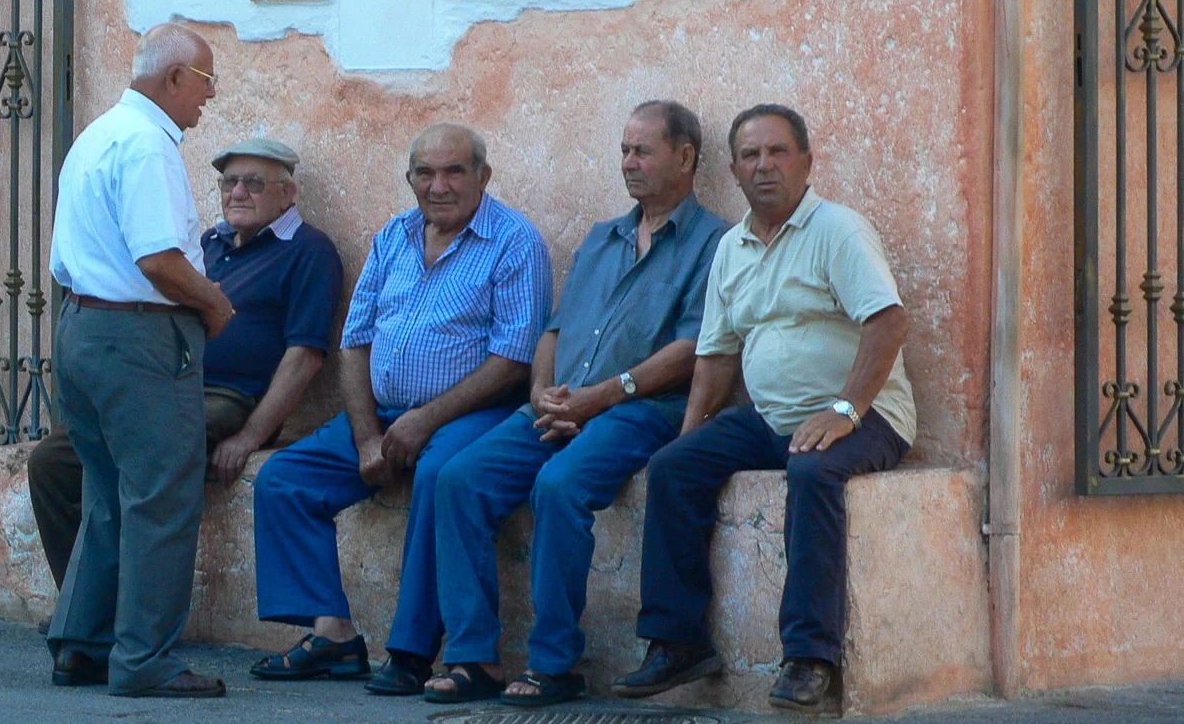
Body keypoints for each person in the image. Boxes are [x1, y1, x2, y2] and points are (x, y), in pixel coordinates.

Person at [613, 104, 916, 715]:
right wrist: (690, 435)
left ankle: (810, 657)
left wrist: (845, 409)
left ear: (807, 162)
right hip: (773, 417)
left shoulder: (838, 230)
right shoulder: (732, 247)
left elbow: (888, 321)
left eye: (778, 152)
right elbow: (717, 355)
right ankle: (677, 643)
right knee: (673, 467)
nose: (764, 166)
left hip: (866, 414)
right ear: (734, 168)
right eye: (751, 156)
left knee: (813, 471)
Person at [427, 101, 728, 707]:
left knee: (560, 486)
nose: (629, 163)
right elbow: (555, 330)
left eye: (642, 151)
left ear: (686, 157)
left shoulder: (714, 242)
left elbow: (695, 349)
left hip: (641, 409)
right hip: (563, 403)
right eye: (623, 150)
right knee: (459, 479)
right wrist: (541, 390)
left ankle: (554, 662)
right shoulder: (602, 238)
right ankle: (474, 655)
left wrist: (601, 397)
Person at [249, 123, 553, 696]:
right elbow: (355, 341)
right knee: (284, 479)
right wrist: (367, 436)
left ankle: (412, 652)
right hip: (384, 413)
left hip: (475, 412)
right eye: (425, 173)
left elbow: (513, 358)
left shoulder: (516, 242)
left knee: (440, 476)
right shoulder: (394, 236)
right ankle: (333, 634)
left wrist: (424, 420)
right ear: (410, 179)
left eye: (454, 171)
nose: (438, 185)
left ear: (483, 176)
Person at [27, 137, 344, 590]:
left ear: (287, 194)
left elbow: (305, 356)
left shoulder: (308, 250)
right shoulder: (208, 243)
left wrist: (251, 435)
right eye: (229, 182)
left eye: (254, 183)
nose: (238, 192)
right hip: (164, 386)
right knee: (51, 462)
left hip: (226, 398)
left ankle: (125, 616)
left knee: (144, 455)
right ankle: (85, 607)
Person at [44, 22, 234, 699]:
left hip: (83, 328)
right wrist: (214, 303)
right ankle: (145, 659)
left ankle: (83, 643)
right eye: (207, 83)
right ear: (174, 79)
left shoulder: (98, 135)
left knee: (106, 494)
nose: (210, 99)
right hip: (139, 338)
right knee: (161, 500)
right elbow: (158, 259)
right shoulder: (149, 144)